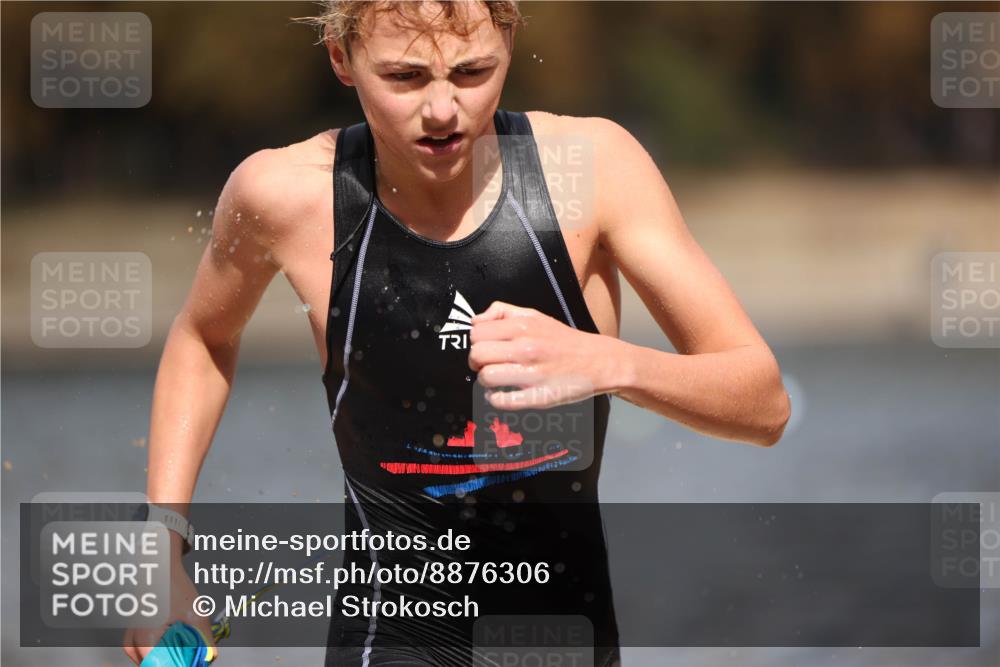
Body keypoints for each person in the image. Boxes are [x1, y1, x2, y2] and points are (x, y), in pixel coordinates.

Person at [123, 1, 791, 665]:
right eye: (406, 77)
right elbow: (203, 337)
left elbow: (764, 404)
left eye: (472, 72)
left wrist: (607, 362)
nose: (442, 109)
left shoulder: (592, 173)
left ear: (509, 38)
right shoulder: (285, 195)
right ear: (340, 56)